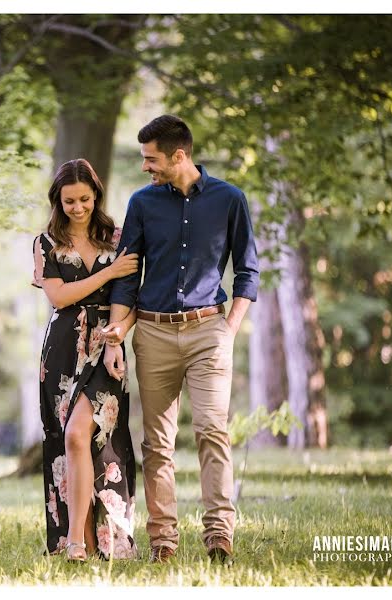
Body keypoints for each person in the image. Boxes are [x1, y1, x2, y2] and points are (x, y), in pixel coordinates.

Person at [103, 115, 259, 564]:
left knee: (213, 431)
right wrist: (117, 336)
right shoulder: (142, 203)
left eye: (151, 159)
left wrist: (228, 329)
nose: (146, 168)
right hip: (152, 332)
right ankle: (164, 542)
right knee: (158, 443)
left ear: (179, 155)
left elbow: (248, 271)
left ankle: (219, 536)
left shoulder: (230, 200)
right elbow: (128, 275)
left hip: (210, 329)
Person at [31, 158, 140, 561]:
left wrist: (120, 333)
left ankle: (87, 539)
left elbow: (130, 300)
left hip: (107, 344)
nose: (77, 208)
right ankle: (77, 542)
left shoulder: (119, 237)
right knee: (70, 440)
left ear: (96, 195)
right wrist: (107, 275)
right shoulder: (46, 242)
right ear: (57, 201)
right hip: (63, 349)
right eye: (69, 201)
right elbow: (59, 296)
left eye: (85, 199)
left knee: (88, 437)